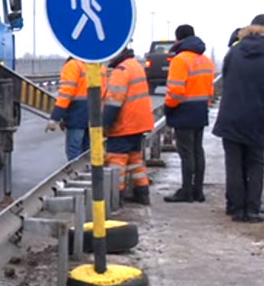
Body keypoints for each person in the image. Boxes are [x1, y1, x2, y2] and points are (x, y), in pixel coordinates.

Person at [212, 18, 264, 222]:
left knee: (234, 163)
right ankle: (252, 209)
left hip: (230, 115)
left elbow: (226, 80)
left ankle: (235, 207)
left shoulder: (234, 52)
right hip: (257, 117)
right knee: (255, 163)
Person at [163, 25, 216, 203]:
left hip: (183, 110)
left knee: (186, 153)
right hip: (200, 110)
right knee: (197, 151)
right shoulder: (206, 60)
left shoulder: (180, 60)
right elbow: (210, 90)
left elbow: (176, 91)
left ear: (178, 39)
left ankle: (186, 191)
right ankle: (198, 190)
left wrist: (169, 107)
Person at [103, 47, 154, 204]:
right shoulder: (135, 65)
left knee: (116, 162)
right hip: (139, 124)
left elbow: (113, 102)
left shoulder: (121, 70)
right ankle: (142, 193)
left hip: (125, 124)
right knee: (135, 161)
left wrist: (104, 125)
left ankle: (116, 198)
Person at [46, 57, 105, 161]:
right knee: (90, 152)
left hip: (77, 115)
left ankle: (76, 175)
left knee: (74, 152)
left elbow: (65, 94)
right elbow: (104, 93)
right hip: (95, 116)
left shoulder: (73, 66)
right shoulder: (100, 66)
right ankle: (90, 174)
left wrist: (55, 118)